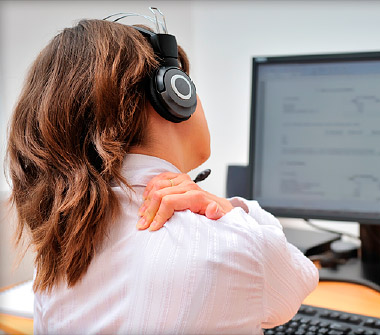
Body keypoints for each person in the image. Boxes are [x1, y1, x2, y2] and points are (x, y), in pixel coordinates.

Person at [6, 17, 318, 334]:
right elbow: (300, 279)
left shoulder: (62, 250)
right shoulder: (226, 243)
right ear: (174, 97)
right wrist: (233, 211)